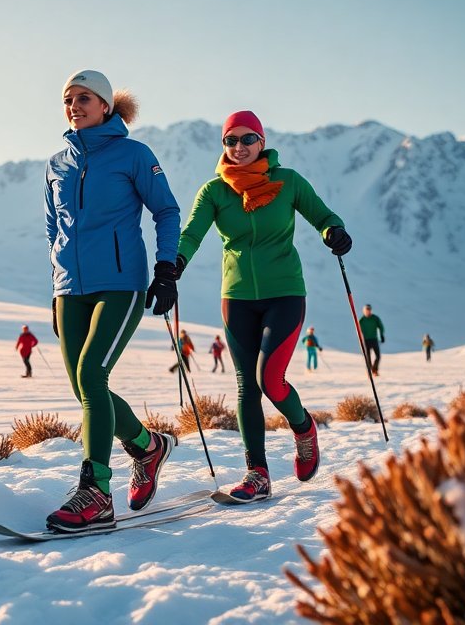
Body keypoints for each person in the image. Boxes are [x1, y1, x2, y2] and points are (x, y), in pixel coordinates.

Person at [176, 110, 351, 503]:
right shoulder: (215, 191)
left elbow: (322, 214)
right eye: (230, 140)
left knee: (269, 378)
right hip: (236, 298)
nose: (238, 147)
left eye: (247, 139)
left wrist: (332, 230)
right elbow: (192, 233)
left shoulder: (287, 181)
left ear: (262, 142)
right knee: (245, 386)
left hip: (285, 292)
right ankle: (257, 474)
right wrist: (176, 262)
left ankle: (303, 427)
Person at [44, 69, 181, 533]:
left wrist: (166, 269)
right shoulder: (56, 163)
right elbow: (53, 228)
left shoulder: (133, 154)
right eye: (68, 99)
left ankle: (96, 490)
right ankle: (147, 447)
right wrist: (56, 284)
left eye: (84, 97)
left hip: (121, 283)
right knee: (85, 390)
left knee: (91, 374)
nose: (74, 105)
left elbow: (166, 210)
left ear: (106, 105)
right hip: (71, 289)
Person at [359, 305, 386, 376]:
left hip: (374, 339)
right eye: (366, 310)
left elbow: (381, 327)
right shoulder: (361, 320)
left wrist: (382, 335)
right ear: (364, 311)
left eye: (369, 309)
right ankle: (369, 372)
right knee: (368, 357)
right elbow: (358, 330)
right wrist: (360, 339)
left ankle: (374, 369)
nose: (368, 311)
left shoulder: (375, 318)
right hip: (366, 340)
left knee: (378, 356)